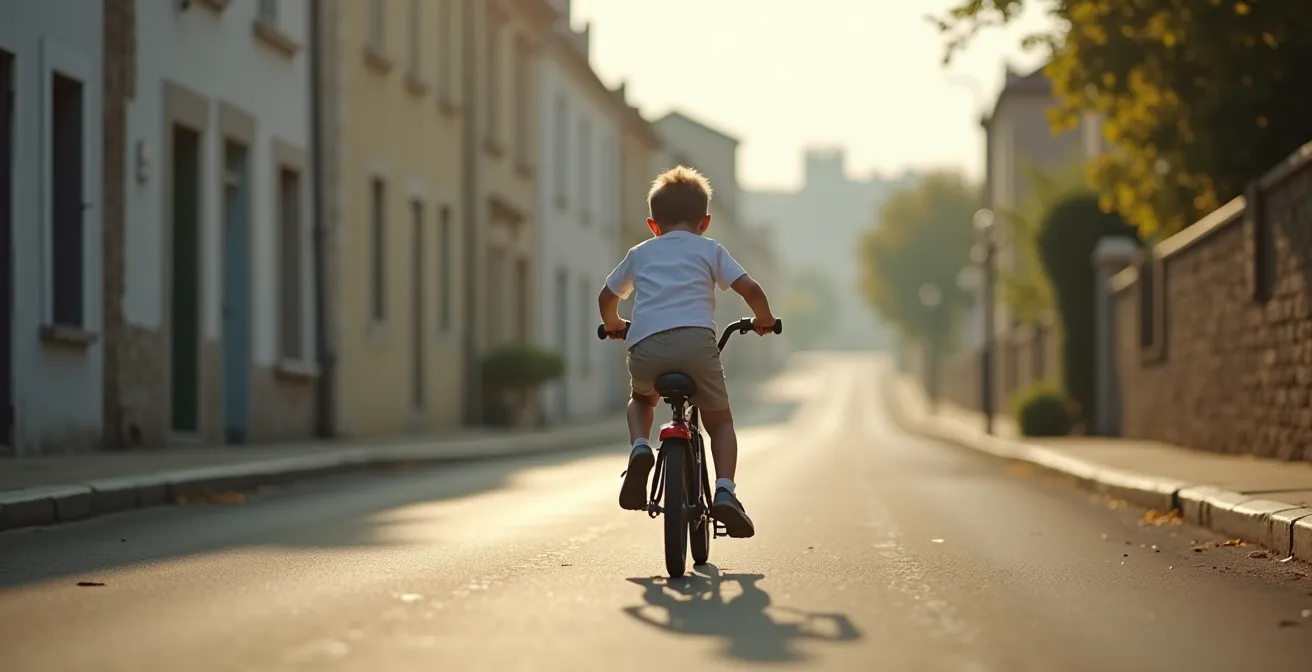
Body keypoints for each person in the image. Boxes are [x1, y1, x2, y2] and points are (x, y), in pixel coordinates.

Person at [597, 165, 777, 539]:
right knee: (720, 422)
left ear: (653, 225)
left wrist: (615, 325)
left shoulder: (641, 252)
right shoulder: (710, 250)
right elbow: (752, 289)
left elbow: (607, 297)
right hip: (697, 346)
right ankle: (725, 491)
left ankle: (639, 447)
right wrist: (764, 319)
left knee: (642, 399)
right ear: (705, 222)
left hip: (646, 347)